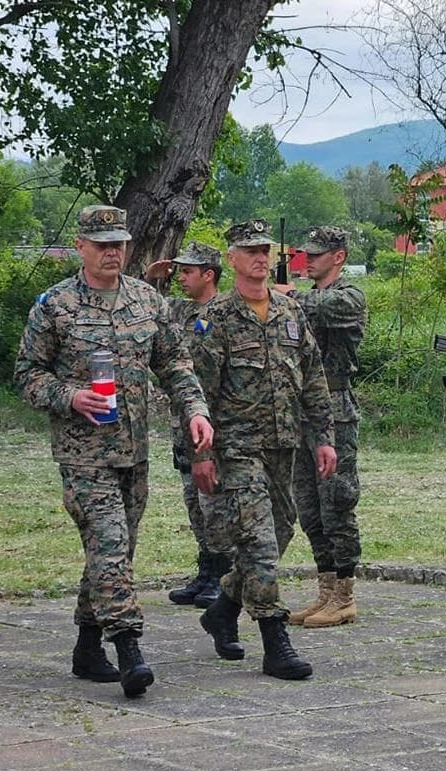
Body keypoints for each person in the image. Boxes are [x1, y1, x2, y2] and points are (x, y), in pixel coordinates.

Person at [15, 205, 213, 700]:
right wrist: (69, 396)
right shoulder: (56, 305)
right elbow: (27, 375)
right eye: (102, 243)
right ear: (80, 246)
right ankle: (128, 649)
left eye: (119, 242)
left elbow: (175, 364)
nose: (112, 251)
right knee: (108, 543)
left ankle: (86, 645)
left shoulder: (147, 300)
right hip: (84, 453)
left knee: (115, 552)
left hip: (134, 450)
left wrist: (195, 411)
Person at [190, 219, 337, 680]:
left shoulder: (291, 312)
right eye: (248, 250)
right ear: (230, 258)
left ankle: (224, 607)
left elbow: (312, 377)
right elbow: (196, 392)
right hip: (235, 448)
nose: (259, 257)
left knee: (278, 534)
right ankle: (275, 639)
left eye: (264, 249)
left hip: (284, 445)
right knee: (258, 541)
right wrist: (200, 455)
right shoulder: (215, 319)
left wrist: (325, 437)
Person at [286, 226, 367, 629]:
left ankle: (345, 593)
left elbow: (319, 308)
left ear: (338, 256)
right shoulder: (306, 297)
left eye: (317, 254)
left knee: (337, 501)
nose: (309, 260)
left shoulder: (349, 296)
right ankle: (326, 587)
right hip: (301, 410)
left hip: (335, 410)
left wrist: (287, 297)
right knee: (309, 505)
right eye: (307, 254)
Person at [146, 242, 236, 609]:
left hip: (213, 422)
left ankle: (223, 574)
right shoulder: (179, 309)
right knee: (193, 501)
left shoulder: (227, 312)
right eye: (179, 271)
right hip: (182, 422)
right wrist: (153, 282)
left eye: (187, 272)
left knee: (214, 501)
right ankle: (205, 568)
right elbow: (147, 313)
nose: (181, 277)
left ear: (208, 274)